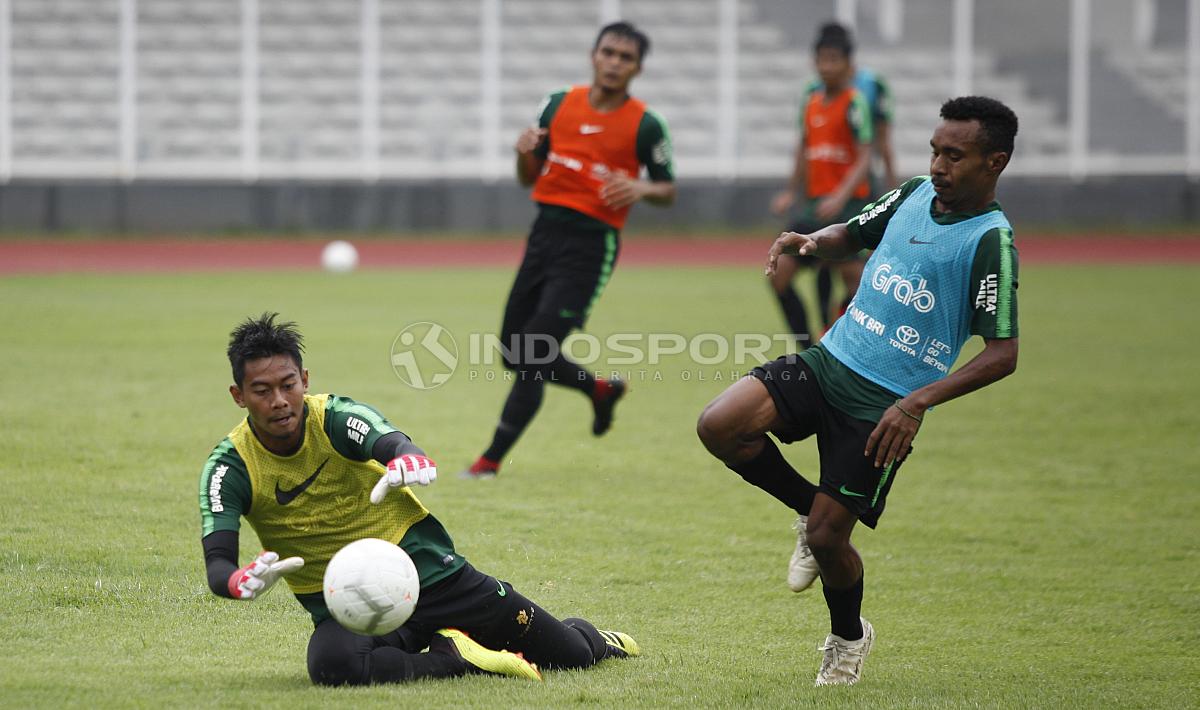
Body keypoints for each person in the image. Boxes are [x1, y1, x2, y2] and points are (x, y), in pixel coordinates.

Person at [698, 96, 1020, 686]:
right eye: (934, 150)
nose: (939, 164)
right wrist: (813, 243)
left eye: (955, 155)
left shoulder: (990, 241)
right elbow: (853, 232)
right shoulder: (914, 193)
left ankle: (848, 638)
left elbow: (1003, 354)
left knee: (829, 539)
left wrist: (916, 402)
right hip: (830, 361)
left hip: (884, 405)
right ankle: (803, 505)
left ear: (994, 162)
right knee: (720, 425)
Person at [199, 313, 640, 686]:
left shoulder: (334, 416)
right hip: (355, 607)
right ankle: (458, 657)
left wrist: (408, 458)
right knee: (332, 665)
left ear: (305, 381)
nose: (279, 401)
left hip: (430, 574)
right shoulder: (229, 467)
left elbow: (386, 439)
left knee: (572, 656)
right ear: (239, 395)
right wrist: (236, 582)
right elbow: (218, 563)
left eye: (287, 384)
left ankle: (595, 637)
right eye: (261, 390)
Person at [462, 20, 675, 478]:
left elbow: (668, 189)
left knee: (533, 352)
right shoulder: (558, 104)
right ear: (594, 55)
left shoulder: (645, 125)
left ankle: (489, 461)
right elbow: (528, 176)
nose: (615, 63)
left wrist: (640, 188)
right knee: (511, 350)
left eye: (626, 57)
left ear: (637, 68)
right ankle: (599, 390)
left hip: (591, 246)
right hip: (543, 236)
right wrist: (523, 152)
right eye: (609, 53)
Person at [769, 22, 888, 345]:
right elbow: (804, 148)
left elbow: (865, 155)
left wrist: (840, 195)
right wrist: (791, 191)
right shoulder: (810, 101)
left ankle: (837, 341)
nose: (827, 67)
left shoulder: (855, 102)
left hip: (849, 206)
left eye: (834, 60)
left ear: (848, 65)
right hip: (814, 205)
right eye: (822, 60)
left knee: (855, 281)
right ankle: (807, 346)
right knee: (779, 273)